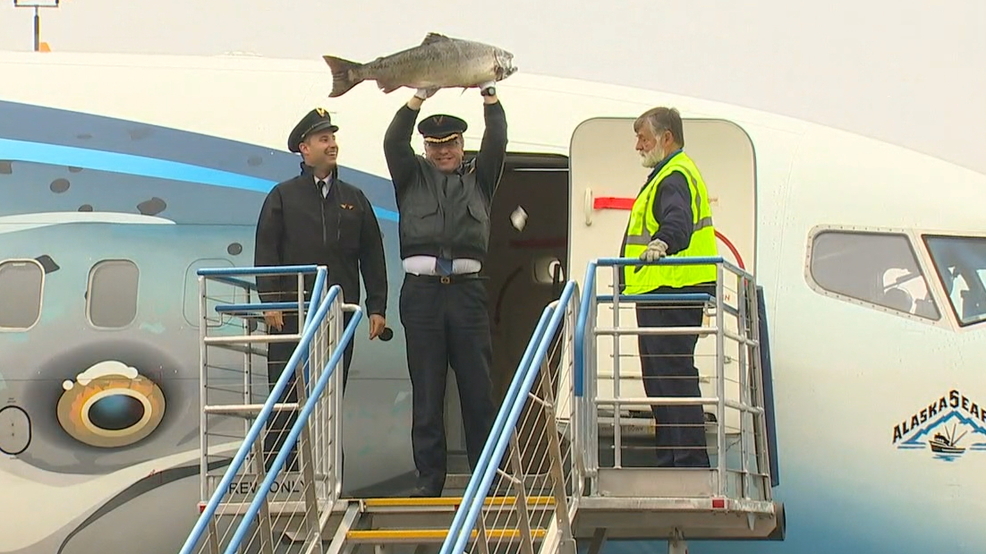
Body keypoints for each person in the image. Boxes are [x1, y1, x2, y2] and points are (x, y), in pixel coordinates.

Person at [383, 82, 507, 497]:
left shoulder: (480, 179)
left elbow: (498, 139)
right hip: (422, 295)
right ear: (426, 149)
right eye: (435, 146)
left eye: (450, 144)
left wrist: (490, 97)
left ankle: (487, 476)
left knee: (478, 389)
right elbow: (393, 140)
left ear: (461, 145)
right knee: (427, 389)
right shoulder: (411, 176)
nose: (443, 152)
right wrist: (418, 97)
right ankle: (429, 479)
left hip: (468, 294)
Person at [254, 107, 388, 472]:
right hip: (291, 313)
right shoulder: (283, 196)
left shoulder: (354, 198)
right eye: (323, 139)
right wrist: (270, 300)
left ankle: (328, 472)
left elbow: (372, 254)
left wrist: (377, 306)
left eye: (333, 138)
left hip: (337, 312)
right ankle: (280, 472)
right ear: (305, 148)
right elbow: (266, 250)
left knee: (330, 394)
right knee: (285, 392)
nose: (332, 145)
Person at [619, 106, 718, 468]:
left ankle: (688, 462)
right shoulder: (668, 173)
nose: (638, 146)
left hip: (673, 290)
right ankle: (672, 460)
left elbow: (678, 220)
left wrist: (662, 243)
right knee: (660, 381)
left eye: (643, 138)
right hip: (661, 291)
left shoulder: (674, 175)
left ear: (666, 138)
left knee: (672, 378)